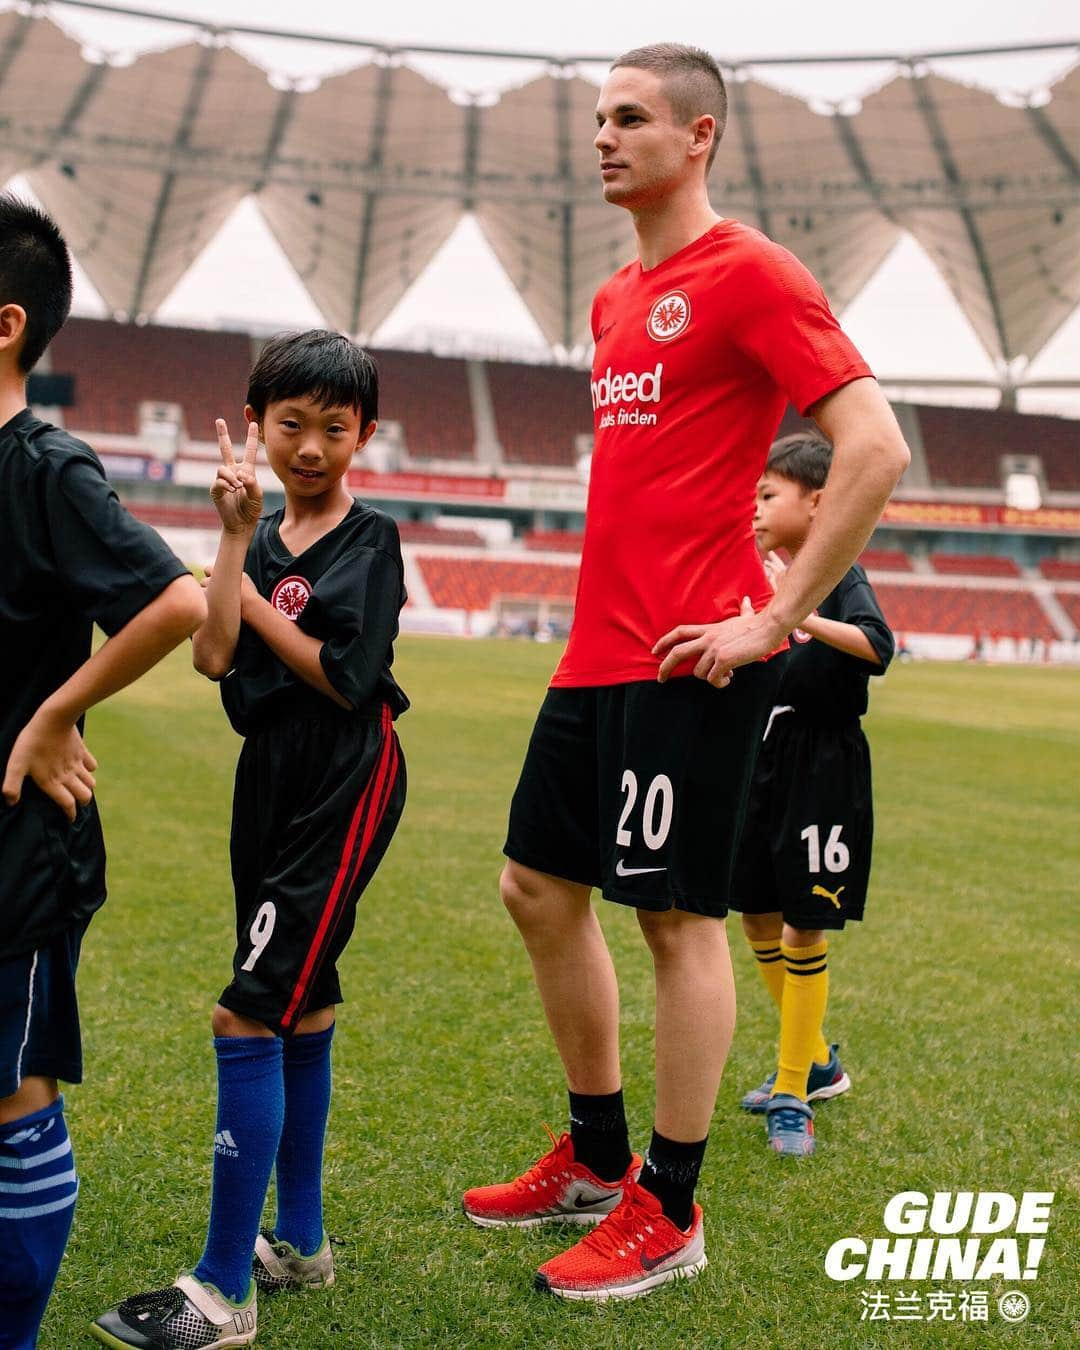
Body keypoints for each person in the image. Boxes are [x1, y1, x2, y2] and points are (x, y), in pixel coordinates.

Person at [461, 43, 910, 1302]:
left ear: (700, 135)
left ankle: (671, 1204)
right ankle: (598, 1156)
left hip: (692, 656)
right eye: (597, 118)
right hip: (596, 644)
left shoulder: (753, 272)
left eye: (634, 118)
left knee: (674, 919)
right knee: (536, 890)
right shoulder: (614, 301)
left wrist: (773, 616)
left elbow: (874, 446)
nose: (605, 138)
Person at [92, 331, 409, 1349]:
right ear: (260, 426)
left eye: (333, 426)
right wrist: (233, 543)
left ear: (364, 432)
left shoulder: (374, 541)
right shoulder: (261, 541)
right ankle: (302, 1243)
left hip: (345, 776)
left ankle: (225, 1289)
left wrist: (257, 598)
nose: (310, 445)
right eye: (291, 424)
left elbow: (347, 677)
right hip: (268, 777)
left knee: (246, 1013)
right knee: (300, 1002)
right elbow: (211, 655)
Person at [0, 193, 205, 1350]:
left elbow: (174, 599)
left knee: (11, 1091)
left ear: (6, 323)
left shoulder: (43, 466)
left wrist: (54, 711)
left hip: (18, 837)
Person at [730, 434, 894, 1157]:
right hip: (767, 759)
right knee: (757, 916)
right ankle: (819, 1058)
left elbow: (879, 646)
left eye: (768, 495)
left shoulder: (835, 572)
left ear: (818, 502)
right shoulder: (766, 571)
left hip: (824, 765)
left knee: (804, 924)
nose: (756, 509)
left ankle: (795, 1091)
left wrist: (796, 617)